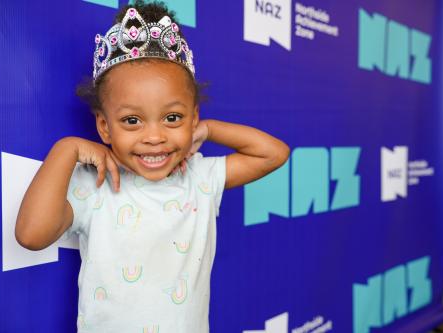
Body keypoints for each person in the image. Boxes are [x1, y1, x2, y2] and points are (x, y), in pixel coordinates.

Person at [15, 1, 290, 332]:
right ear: (104, 127)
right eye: (132, 120)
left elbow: (274, 153)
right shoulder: (96, 183)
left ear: (193, 117)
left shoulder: (198, 176)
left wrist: (209, 130)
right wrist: (66, 149)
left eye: (173, 118)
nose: (155, 136)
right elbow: (31, 235)